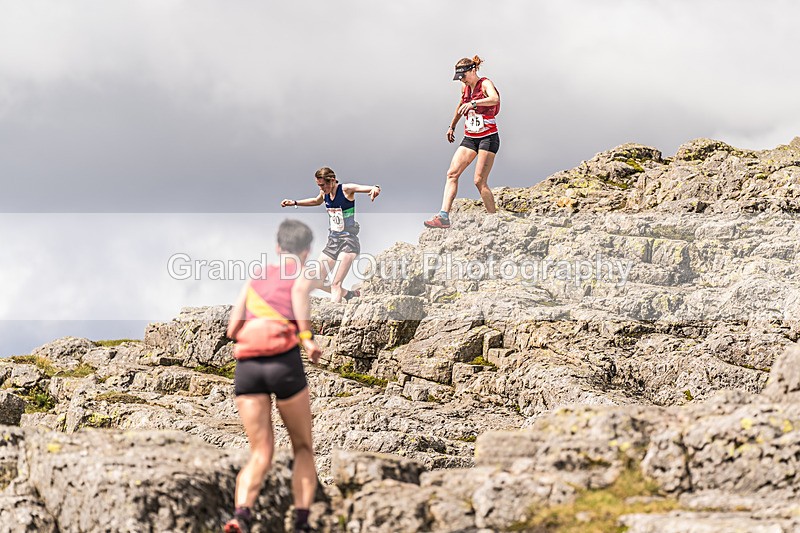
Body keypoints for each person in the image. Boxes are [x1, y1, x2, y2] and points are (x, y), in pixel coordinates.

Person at [224, 219, 322, 533]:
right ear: (306, 252)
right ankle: (303, 523)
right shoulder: (303, 273)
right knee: (303, 447)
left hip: (249, 366)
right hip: (283, 361)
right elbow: (298, 299)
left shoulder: (255, 279)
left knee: (261, 451)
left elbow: (232, 328)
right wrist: (306, 337)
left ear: (278, 247)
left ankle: (241, 514)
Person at [280, 167, 380, 302]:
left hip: (348, 241)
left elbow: (371, 188)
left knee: (335, 284)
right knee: (315, 280)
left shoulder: (346, 189)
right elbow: (316, 201)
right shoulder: (324, 193)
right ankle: (348, 294)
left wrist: (375, 189)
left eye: (323, 185)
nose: (321, 188)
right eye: (318, 185)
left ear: (332, 180)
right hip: (333, 240)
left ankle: (333, 315)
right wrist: (295, 203)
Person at [424, 55, 501, 229]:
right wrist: (452, 126)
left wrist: (475, 103)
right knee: (452, 173)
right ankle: (443, 216)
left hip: (488, 137)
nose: (463, 81)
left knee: (479, 180)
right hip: (471, 137)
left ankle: (494, 219)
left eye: (464, 76)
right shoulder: (464, 89)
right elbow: (460, 107)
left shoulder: (485, 83)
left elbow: (494, 99)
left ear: (472, 71)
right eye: (460, 78)